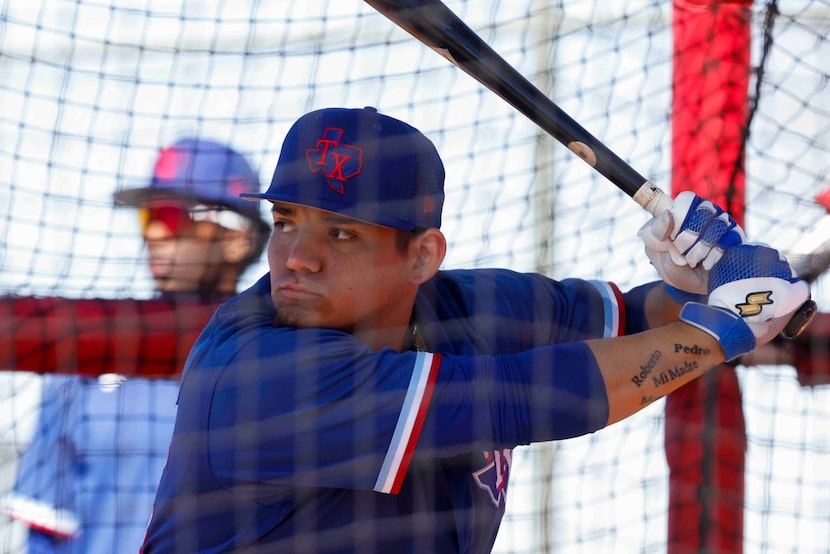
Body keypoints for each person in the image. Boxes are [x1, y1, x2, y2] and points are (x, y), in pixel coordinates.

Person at [141, 107, 811, 553]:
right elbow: (528, 396)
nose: (298, 257)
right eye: (286, 222)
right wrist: (725, 325)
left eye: (340, 232)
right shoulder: (259, 371)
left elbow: (637, 321)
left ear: (424, 256)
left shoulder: (474, 306)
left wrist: (696, 283)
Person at [0, 139, 270, 553]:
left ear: (239, 238)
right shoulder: (87, 359)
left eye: (174, 216)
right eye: (148, 216)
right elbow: (47, 533)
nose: (156, 233)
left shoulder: (281, 365)